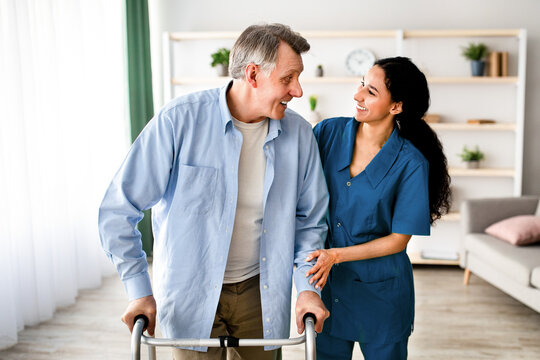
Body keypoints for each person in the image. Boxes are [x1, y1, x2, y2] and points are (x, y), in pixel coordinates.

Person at [98, 23, 330, 360]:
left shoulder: (300, 135)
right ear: (253, 75)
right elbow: (118, 210)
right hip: (189, 290)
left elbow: (309, 223)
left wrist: (307, 290)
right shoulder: (179, 122)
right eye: (287, 78)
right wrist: (138, 289)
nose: (296, 91)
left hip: (261, 289)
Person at [304, 57, 451, 360]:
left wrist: (335, 255)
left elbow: (399, 240)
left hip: (382, 297)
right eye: (361, 84)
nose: (357, 95)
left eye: (371, 91)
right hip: (329, 289)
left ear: (396, 106)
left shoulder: (411, 163)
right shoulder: (327, 133)